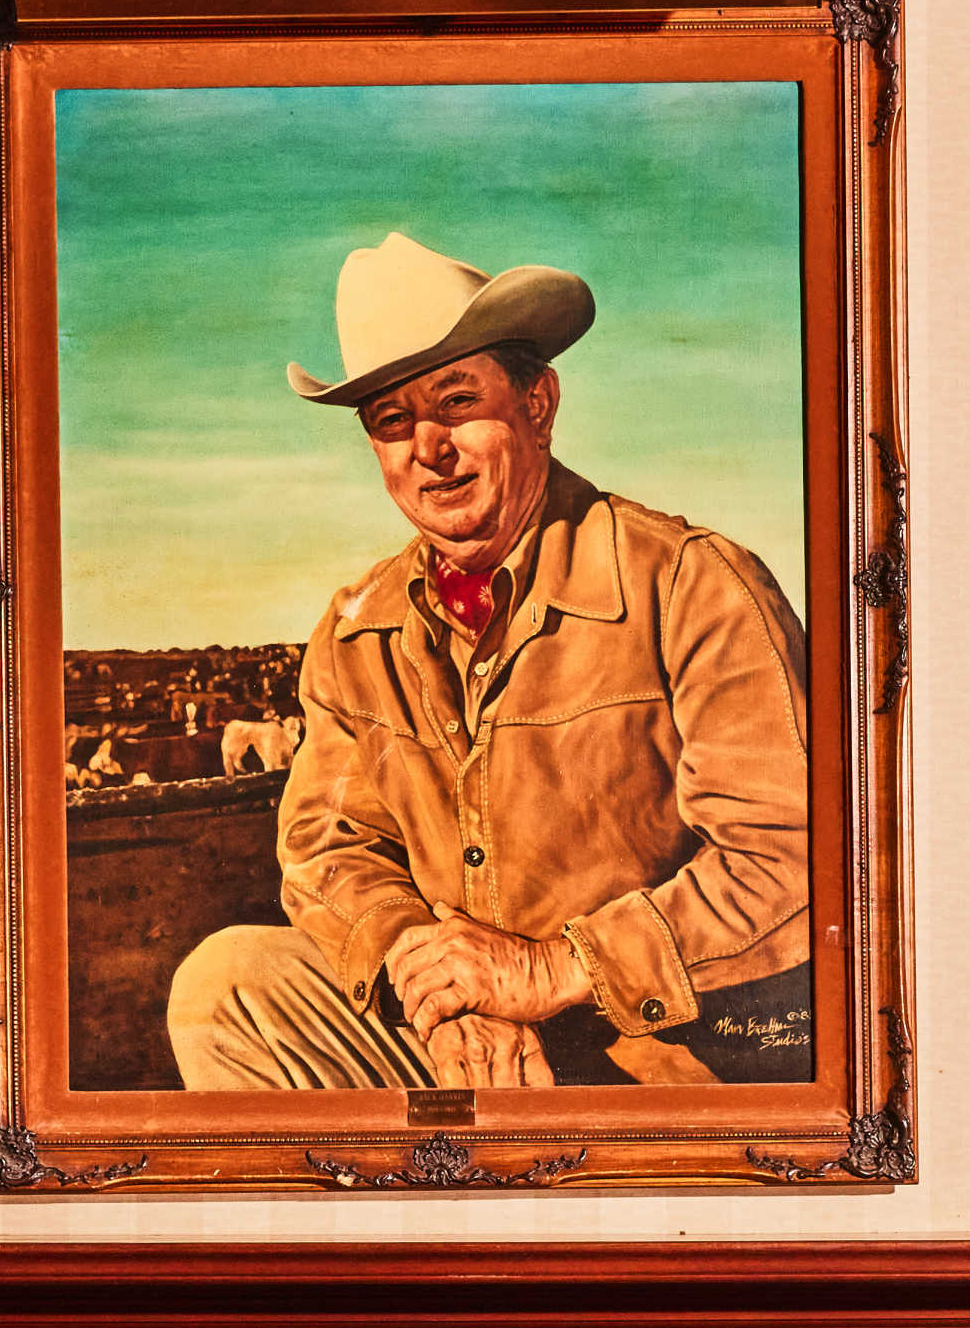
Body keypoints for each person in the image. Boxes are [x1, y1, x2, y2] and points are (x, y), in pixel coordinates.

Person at [166, 230, 813, 1092]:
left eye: (457, 402)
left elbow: (797, 860)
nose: (427, 447)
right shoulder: (358, 630)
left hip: (666, 1052)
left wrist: (547, 972)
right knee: (230, 987)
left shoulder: (691, 583)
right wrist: (425, 971)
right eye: (392, 421)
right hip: (462, 1039)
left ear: (538, 403)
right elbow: (328, 848)